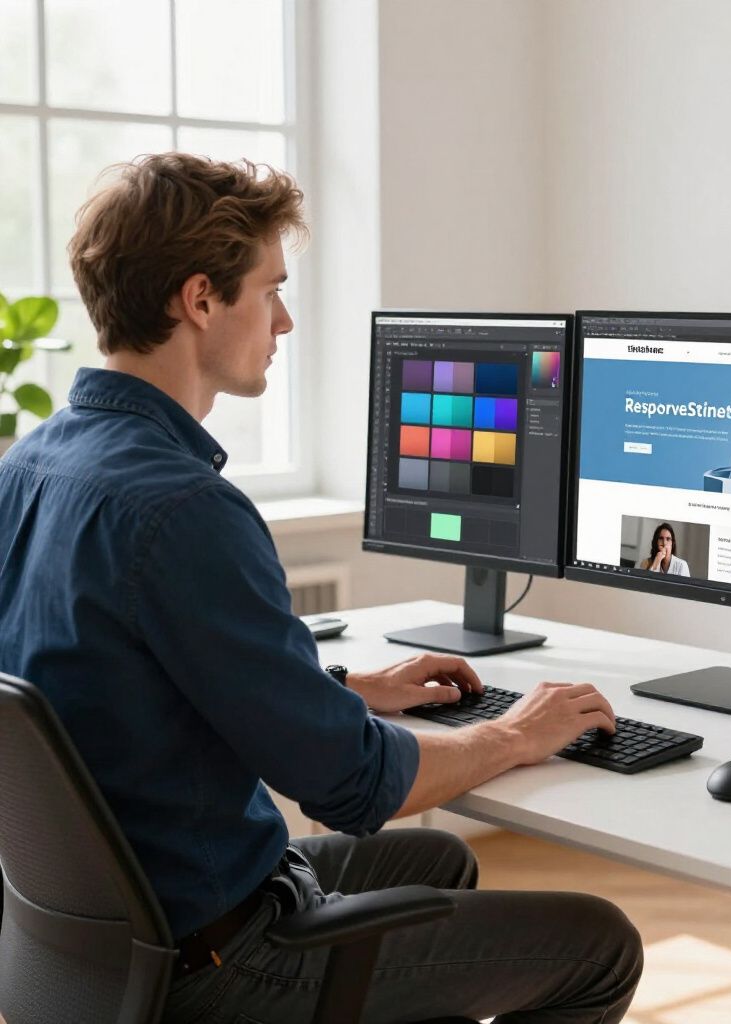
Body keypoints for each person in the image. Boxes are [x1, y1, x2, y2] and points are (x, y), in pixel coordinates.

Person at [0, 154, 642, 1024]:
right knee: (599, 944)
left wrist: (341, 691)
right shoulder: (185, 509)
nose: (286, 318)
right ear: (199, 300)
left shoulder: (30, 466)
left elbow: (118, 683)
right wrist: (516, 734)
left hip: (98, 947)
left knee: (438, 867)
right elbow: (354, 785)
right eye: (270, 290)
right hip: (216, 964)